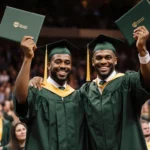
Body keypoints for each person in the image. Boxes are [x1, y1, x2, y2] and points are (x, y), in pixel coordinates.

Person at [29, 26, 150, 150]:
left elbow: (146, 80)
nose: (103, 61)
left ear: (115, 60)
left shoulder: (127, 82)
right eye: (99, 58)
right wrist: (39, 80)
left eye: (108, 57)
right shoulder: (85, 92)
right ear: (92, 61)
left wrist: (142, 51)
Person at [13, 37, 85, 150]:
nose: (63, 66)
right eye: (57, 61)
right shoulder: (37, 92)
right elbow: (20, 98)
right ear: (48, 65)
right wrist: (28, 58)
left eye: (67, 62)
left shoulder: (77, 97)